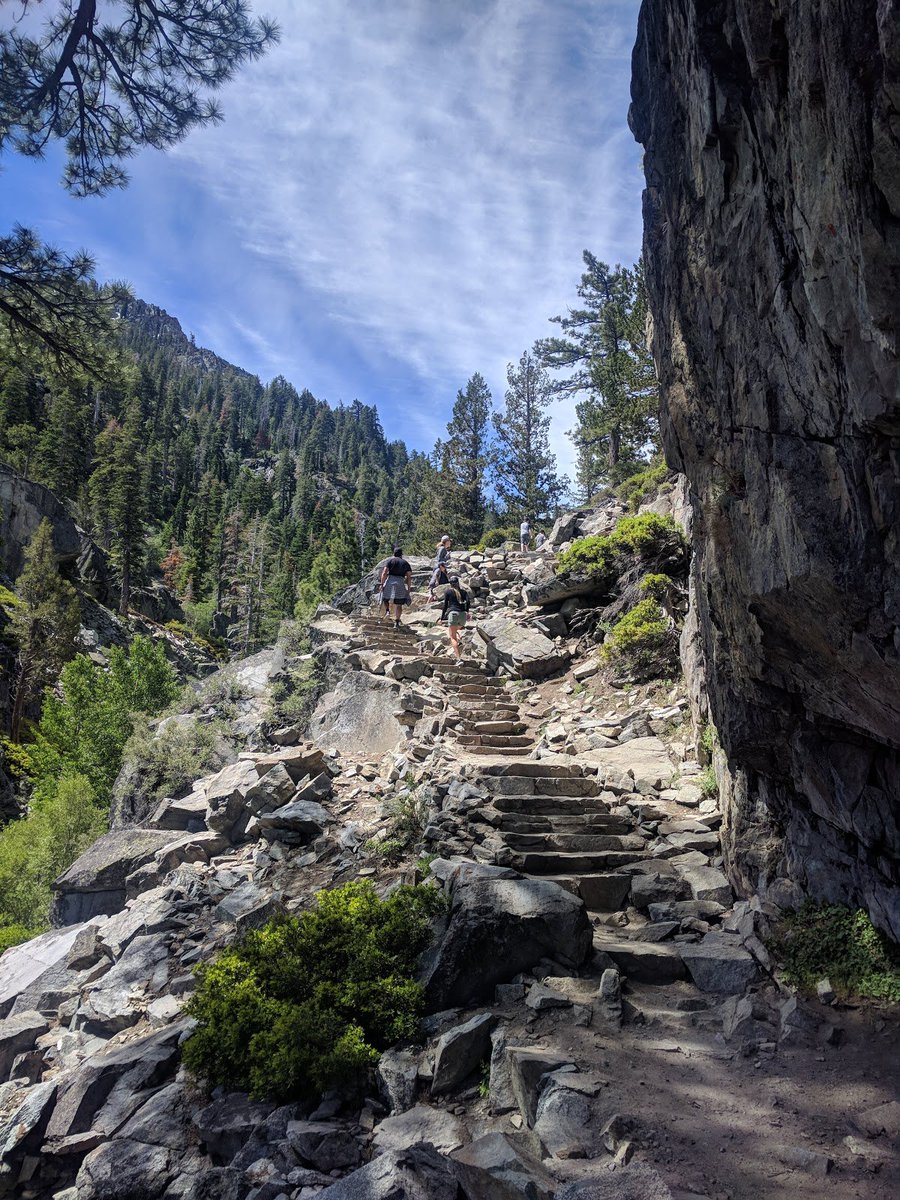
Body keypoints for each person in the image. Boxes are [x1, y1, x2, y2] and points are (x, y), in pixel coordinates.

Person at [379, 546, 413, 627]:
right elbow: (409, 577)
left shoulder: (390, 561)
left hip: (390, 581)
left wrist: (382, 584)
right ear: (401, 555)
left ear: (394, 554)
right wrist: (408, 588)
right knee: (399, 603)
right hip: (400, 582)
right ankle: (397, 621)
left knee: (385, 598)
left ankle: (387, 611)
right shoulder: (405, 563)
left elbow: (384, 572)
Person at [440, 575, 470, 660]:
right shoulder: (464, 592)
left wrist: (442, 617)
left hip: (453, 613)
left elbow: (445, 605)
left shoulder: (448, 592)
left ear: (450, 584)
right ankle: (459, 639)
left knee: (452, 637)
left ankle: (458, 658)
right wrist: (467, 611)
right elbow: (468, 602)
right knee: (457, 629)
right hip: (462, 615)